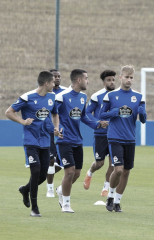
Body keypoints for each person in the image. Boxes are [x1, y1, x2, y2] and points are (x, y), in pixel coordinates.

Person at [5, 71, 56, 217]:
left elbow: (55, 114)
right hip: (31, 141)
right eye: (52, 82)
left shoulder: (52, 97)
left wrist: (55, 128)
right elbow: (9, 112)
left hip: (45, 141)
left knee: (42, 175)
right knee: (35, 172)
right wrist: (22, 121)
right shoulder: (27, 97)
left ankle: (25, 190)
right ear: (46, 83)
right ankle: (35, 208)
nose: (54, 84)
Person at [52, 69, 104, 213]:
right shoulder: (61, 97)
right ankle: (66, 204)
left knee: (76, 173)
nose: (88, 81)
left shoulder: (82, 97)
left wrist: (97, 124)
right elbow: (53, 114)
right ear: (79, 80)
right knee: (69, 172)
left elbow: (83, 117)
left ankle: (61, 189)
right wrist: (57, 128)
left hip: (77, 140)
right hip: (63, 140)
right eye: (86, 78)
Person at [99, 65, 146, 213]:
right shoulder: (111, 96)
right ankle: (110, 196)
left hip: (130, 139)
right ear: (120, 77)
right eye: (126, 77)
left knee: (126, 172)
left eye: (131, 77)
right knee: (118, 170)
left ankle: (118, 202)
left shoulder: (139, 97)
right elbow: (102, 115)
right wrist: (113, 112)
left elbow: (143, 120)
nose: (129, 80)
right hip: (115, 137)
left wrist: (142, 113)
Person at [83, 70, 116, 197]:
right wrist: (98, 122)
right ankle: (90, 173)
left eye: (113, 80)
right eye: (109, 80)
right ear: (103, 83)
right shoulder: (97, 96)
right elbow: (86, 113)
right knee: (100, 163)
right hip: (100, 135)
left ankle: (105, 188)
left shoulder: (118, 95)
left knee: (113, 163)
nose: (112, 82)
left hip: (114, 135)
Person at [46, 69, 67, 198]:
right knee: (51, 159)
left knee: (62, 163)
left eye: (59, 76)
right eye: (55, 76)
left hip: (64, 130)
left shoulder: (65, 92)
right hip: (49, 130)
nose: (57, 78)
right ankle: (50, 188)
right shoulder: (44, 92)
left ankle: (46, 173)